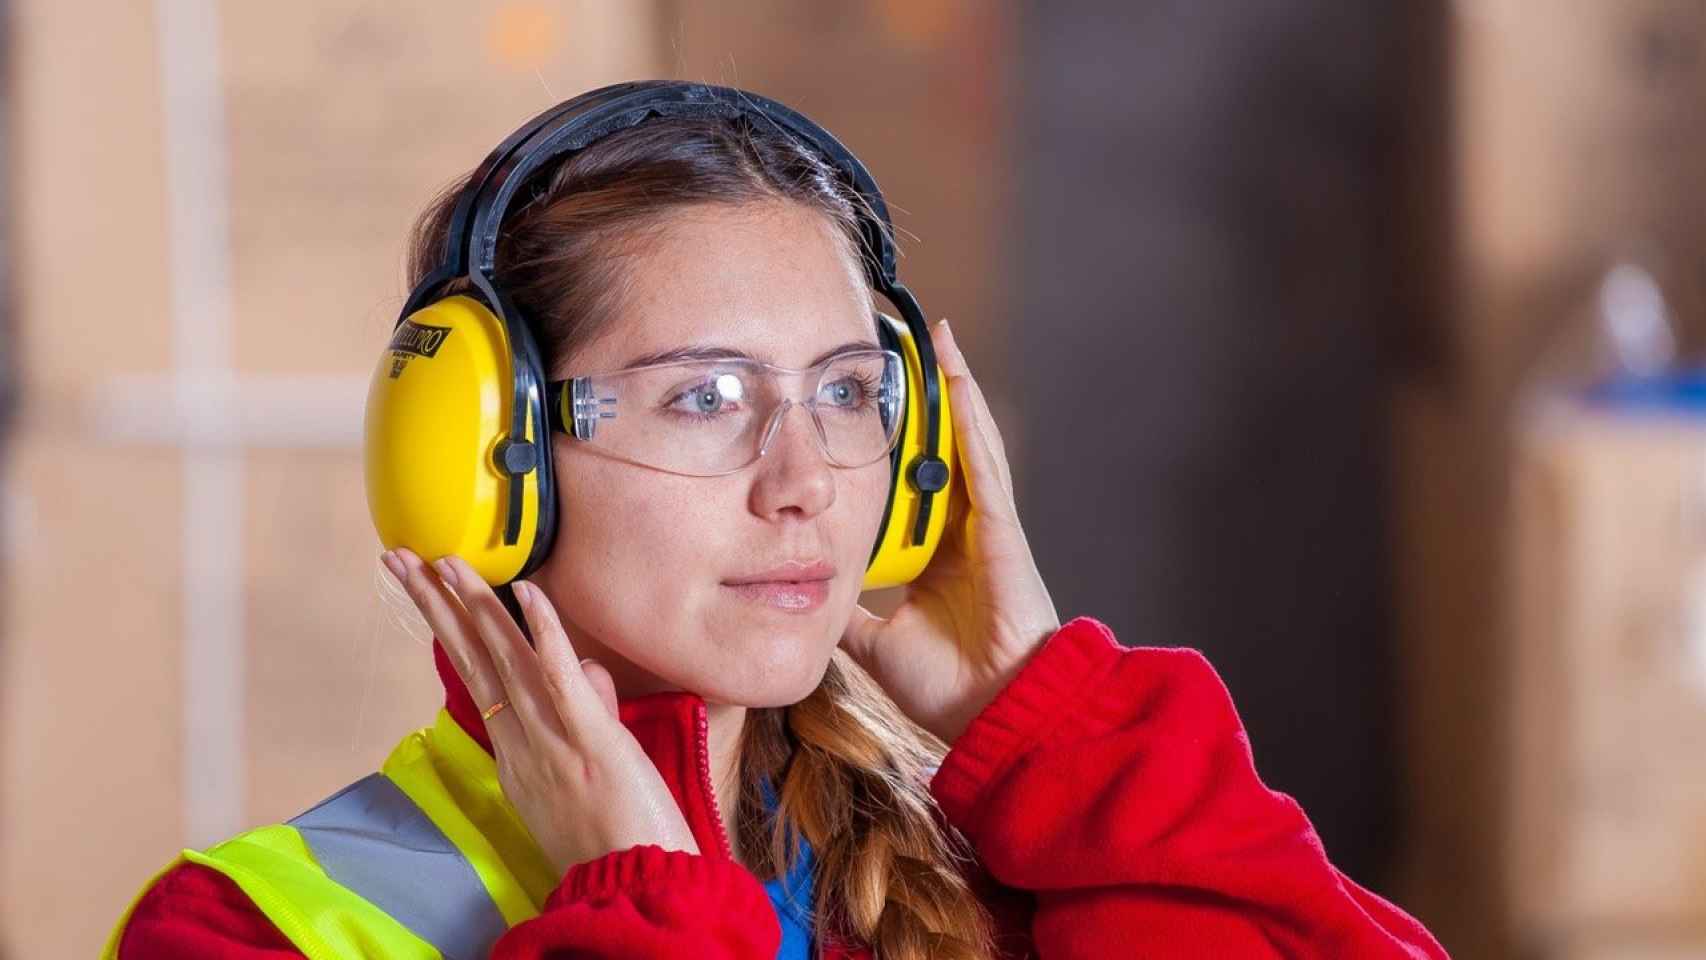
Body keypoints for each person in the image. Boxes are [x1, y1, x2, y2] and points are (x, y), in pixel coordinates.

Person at [103, 85, 1448, 959]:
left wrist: (1065, 739)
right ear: (480, 458)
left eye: (851, 391)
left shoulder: (1012, 871)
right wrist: (639, 903)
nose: (804, 477)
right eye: (704, 396)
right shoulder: (245, 930)